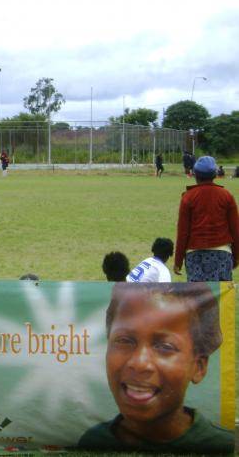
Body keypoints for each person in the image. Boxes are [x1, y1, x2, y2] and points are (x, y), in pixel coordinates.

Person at [78, 283, 234, 453]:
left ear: (198, 367)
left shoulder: (220, 445)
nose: (139, 363)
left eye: (165, 347)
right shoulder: (92, 439)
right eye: (124, 341)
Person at [174, 155, 239, 281]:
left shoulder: (188, 197)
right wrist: (236, 257)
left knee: (197, 298)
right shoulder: (227, 196)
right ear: (215, 174)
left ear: (195, 174)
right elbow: (235, 230)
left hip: (194, 256)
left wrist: (178, 261)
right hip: (222, 255)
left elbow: (183, 233)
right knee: (220, 298)